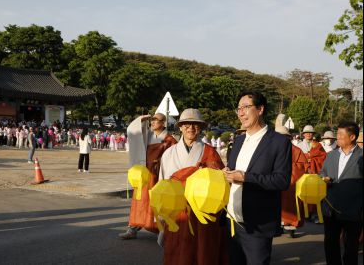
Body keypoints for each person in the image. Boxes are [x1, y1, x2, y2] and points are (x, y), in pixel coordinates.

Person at [223, 91, 292, 265]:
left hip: (257, 225)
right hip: (232, 221)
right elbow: (232, 173)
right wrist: (226, 173)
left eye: (246, 107)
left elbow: (281, 180)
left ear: (260, 109)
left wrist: (246, 177)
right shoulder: (237, 141)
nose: (241, 113)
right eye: (239, 108)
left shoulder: (279, 142)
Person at [159, 108, 228, 265]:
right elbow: (162, 184)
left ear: (201, 128)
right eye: (186, 124)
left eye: (195, 124)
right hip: (177, 212)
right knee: (178, 250)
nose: (191, 127)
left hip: (201, 213)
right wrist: (162, 213)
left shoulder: (210, 152)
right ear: (181, 127)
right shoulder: (169, 153)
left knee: (202, 250)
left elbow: (219, 185)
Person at [119, 113, 177, 239]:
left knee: (155, 203)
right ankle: (132, 228)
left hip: (158, 175)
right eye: (153, 119)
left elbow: (174, 158)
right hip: (145, 174)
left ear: (163, 123)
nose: (153, 122)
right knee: (139, 201)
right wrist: (140, 120)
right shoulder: (147, 136)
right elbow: (133, 132)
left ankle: (161, 231)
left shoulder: (169, 139)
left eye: (157, 120)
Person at [320, 121, 363, 265]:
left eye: (340, 134)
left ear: (352, 137)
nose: (336, 137)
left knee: (351, 248)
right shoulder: (331, 155)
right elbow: (322, 173)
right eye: (337, 134)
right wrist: (323, 179)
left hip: (353, 210)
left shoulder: (361, 157)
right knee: (330, 245)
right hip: (330, 208)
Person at [276, 126, 309, 238]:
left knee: (291, 206)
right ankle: (278, 227)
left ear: (288, 138)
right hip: (275, 182)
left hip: (291, 183)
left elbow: (302, 167)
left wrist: (287, 171)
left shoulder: (296, 150)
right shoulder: (272, 148)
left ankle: (291, 228)